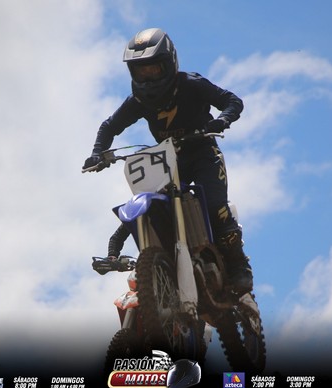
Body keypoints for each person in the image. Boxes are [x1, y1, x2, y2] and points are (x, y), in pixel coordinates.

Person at [82, 28, 253, 294]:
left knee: (215, 206)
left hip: (203, 152)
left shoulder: (191, 84)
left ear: (170, 62)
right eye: (141, 71)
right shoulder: (138, 100)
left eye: (154, 69)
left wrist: (222, 120)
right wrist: (98, 153)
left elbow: (231, 100)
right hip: (170, 160)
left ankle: (239, 265)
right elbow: (109, 126)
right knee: (148, 205)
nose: (148, 77)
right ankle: (130, 256)